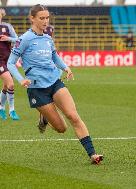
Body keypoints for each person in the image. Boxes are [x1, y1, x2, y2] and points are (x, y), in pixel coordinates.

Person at [7, 4, 103, 164]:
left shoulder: (48, 38)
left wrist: (65, 67)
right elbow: (11, 63)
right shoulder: (23, 39)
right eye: (42, 18)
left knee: (73, 116)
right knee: (61, 128)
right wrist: (21, 79)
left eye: (47, 18)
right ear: (32, 18)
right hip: (37, 89)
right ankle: (44, 118)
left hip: (54, 82)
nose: (45, 21)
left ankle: (93, 154)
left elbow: (54, 56)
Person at [0, 8, 20, 120]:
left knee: (6, 85)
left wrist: (8, 38)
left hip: (9, 60)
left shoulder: (7, 26)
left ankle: (1, 107)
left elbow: (18, 40)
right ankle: (12, 110)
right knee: (11, 84)